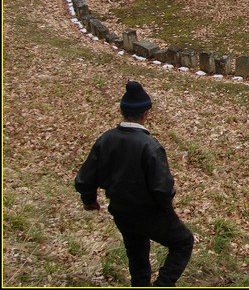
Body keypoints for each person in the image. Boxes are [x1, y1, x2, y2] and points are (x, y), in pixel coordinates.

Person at [75, 80, 194, 287]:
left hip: (121, 211)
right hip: (149, 213)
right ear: (146, 113)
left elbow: (86, 176)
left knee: (137, 255)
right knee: (183, 242)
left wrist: (89, 200)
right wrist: (166, 210)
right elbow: (162, 188)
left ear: (122, 112)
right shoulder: (150, 146)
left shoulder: (106, 139)